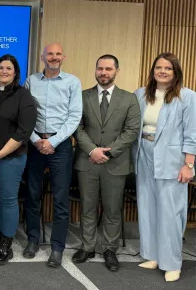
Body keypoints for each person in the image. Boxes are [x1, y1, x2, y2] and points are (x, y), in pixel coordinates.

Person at [72, 55, 140, 272]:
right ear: (95, 70)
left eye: (108, 69)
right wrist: (93, 150)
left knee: (112, 210)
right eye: (100, 68)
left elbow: (131, 131)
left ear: (116, 71)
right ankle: (88, 246)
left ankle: (110, 249)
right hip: (87, 161)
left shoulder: (129, 99)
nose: (103, 72)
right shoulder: (82, 97)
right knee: (88, 207)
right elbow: (77, 126)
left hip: (116, 163)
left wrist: (108, 153)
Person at [133, 52, 195, 282]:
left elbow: (192, 133)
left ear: (175, 71)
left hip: (172, 159)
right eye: (158, 67)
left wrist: (189, 164)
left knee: (170, 212)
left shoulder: (187, 97)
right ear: (152, 71)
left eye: (168, 68)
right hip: (143, 155)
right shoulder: (141, 94)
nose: (162, 71)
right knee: (148, 207)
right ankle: (153, 256)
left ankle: (172, 263)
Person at [23, 43, 82, 267]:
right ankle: (32, 240)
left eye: (58, 54)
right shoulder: (31, 81)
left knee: (60, 199)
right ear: (42, 57)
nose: (54, 57)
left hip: (61, 146)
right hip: (35, 144)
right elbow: (25, 116)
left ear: (63, 57)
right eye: (50, 54)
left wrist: (53, 141)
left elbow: (75, 116)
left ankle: (57, 247)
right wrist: (37, 140)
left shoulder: (72, 82)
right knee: (32, 195)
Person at [0, 54, 37, 266]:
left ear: (15, 73)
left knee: (7, 199)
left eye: (8, 68)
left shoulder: (24, 97)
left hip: (10, 157)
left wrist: (1, 153)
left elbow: (24, 131)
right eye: (0, 68)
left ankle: (6, 243)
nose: (4, 71)